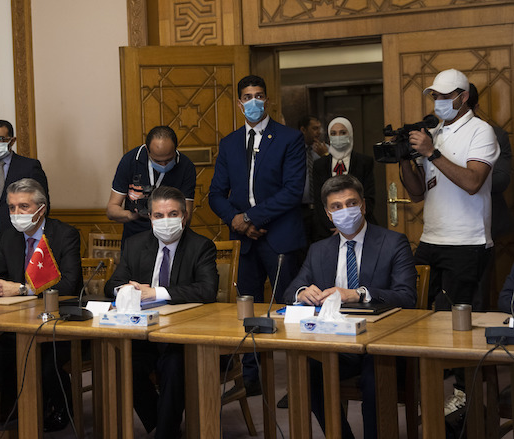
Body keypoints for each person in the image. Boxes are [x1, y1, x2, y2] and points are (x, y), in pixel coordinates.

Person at [399, 68, 499, 414]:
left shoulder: (481, 131)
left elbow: (473, 181)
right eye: (435, 96)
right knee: (417, 315)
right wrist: (405, 160)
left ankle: (464, 396)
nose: (439, 102)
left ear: (463, 96)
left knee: (460, 325)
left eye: (445, 96)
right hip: (431, 239)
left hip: (467, 242)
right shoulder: (435, 133)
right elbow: (415, 195)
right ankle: (421, 386)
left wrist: (430, 154)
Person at [287, 175, 417, 438]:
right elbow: (290, 290)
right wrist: (303, 292)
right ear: (327, 213)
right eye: (336, 206)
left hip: (381, 344)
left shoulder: (393, 242)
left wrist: (359, 293)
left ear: (364, 206)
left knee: (375, 376)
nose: (344, 211)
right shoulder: (319, 250)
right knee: (307, 371)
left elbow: (407, 297)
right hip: (338, 344)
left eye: (351, 203)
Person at [208, 75, 305, 395]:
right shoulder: (229, 143)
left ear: (267, 100)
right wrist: (236, 221)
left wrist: (250, 217)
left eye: (259, 96)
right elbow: (216, 194)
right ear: (239, 103)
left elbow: (292, 191)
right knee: (246, 309)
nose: (253, 102)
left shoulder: (289, 139)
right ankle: (250, 376)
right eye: (247, 97)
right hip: (244, 243)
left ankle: (299, 379)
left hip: (280, 238)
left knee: (289, 309)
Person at [104, 185, 218, 438]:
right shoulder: (135, 245)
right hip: (143, 333)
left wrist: (156, 293)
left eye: (172, 214)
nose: (165, 221)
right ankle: (159, 424)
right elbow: (110, 285)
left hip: (184, 336)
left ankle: (165, 433)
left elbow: (207, 289)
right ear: (150, 218)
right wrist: (128, 288)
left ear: (184, 217)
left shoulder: (201, 246)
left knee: (174, 365)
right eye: (158, 216)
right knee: (121, 361)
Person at [0, 178, 81, 432]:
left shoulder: (65, 234)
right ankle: (31, 404)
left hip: (57, 326)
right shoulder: (10, 237)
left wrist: (22, 289)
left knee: (43, 367)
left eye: (23, 207)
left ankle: (58, 408)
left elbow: (69, 286)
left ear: (41, 209)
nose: (16, 214)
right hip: (18, 325)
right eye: (11, 208)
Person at [0, 119, 49, 265]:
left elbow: (43, 204)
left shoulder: (29, 166)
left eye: (0, 139)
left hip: (22, 239)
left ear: (12, 141)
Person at [107, 125, 196, 246]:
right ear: (147, 150)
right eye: (158, 161)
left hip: (172, 238)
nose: (164, 165)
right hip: (135, 238)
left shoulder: (185, 166)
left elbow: (187, 214)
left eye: (169, 160)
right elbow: (112, 209)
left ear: (175, 149)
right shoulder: (130, 161)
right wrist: (132, 215)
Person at [467, 83, 512, 311]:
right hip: (444, 228)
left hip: (485, 224)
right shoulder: (437, 136)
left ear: (475, 106)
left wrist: (468, 178)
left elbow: (502, 179)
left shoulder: (495, 135)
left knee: (478, 297)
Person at [312, 117, 376, 241]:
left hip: (360, 228)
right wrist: (335, 225)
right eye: (333, 133)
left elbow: (369, 197)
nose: (338, 136)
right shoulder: (319, 165)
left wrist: (349, 225)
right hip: (327, 231)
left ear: (350, 134)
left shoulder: (364, 162)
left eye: (343, 132)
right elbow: (319, 200)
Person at [297, 115, 328, 244]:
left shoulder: (323, 150)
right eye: (314, 128)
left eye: (319, 128)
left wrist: (325, 156)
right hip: (299, 210)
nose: (318, 132)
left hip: (319, 209)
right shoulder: (293, 152)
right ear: (303, 129)